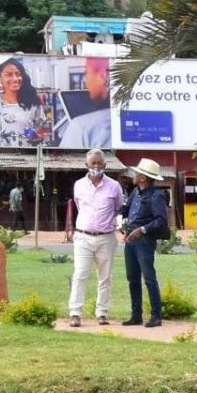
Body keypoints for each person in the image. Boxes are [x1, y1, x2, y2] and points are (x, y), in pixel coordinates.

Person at [65, 150, 121, 327]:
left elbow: (118, 207)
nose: (96, 166)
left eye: (99, 163)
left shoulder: (114, 186)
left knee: (105, 277)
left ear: (105, 165)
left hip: (106, 237)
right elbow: (79, 206)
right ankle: (75, 313)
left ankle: (102, 313)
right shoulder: (79, 185)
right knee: (80, 274)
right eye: (93, 163)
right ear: (86, 166)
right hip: (83, 236)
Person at [119, 158, 172, 328]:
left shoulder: (156, 196)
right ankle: (136, 315)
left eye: (137, 173)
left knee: (149, 278)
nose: (134, 175)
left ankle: (156, 316)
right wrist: (122, 222)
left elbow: (161, 220)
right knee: (132, 278)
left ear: (143, 178)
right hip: (131, 239)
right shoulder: (136, 192)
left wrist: (142, 229)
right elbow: (126, 210)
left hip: (144, 240)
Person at [58, 59, 113, 149]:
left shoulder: (81, 127)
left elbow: (61, 162)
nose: (86, 82)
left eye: (87, 73)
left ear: (103, 76)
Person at [0, 58, 41, 145]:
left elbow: (39, 129)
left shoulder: (32, 101)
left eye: (18, 74)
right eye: (9, 74)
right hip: (4, 153)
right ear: (0, 78)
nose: (15, 79)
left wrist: (31, 135)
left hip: (28, 153)